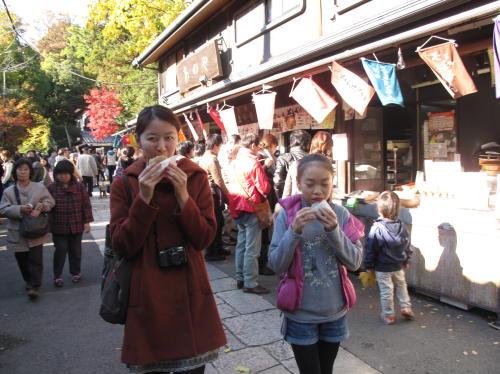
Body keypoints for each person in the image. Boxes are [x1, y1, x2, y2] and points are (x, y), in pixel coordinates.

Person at [109, 105, 226, 373]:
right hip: (146, 292)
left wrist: (183, 195)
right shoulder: (125, 183)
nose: (162, 147)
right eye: (152, 138)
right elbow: (122, 244)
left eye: (169, 137)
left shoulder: (194, 177)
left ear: (178, 137)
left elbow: (204, 238)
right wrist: (144, 196)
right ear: (138, 140)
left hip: (189, 289)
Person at [268, 153, 363, 374]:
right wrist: (294, 231)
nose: (318, 191)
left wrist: (334, 230)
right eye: (310, 184)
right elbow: (276, 264)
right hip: (300, 314)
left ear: (332, 183)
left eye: (325, 184)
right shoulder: (287, 215)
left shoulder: (341, 215)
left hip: (334, 312)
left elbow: (355, 262)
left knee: (326, 370)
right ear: (299, 183)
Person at [0, 159, 55, 300]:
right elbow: (3, 209)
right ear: (15, 171)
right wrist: (19, 209)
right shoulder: (8, 191)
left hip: (36, 229)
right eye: (19, 169)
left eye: (25, 169)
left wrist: (42, 206)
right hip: (17, 231)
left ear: (30, 171)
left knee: (36, 259)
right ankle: (28, 281)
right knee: (22, 260)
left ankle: (35, 285)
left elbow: (50, 202)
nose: (22, 172)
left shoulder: (39, 187)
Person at [227, 133, 271, 294]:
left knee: (241, 244)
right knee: (252, 248)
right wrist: (266, 166)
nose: (260, 149)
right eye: (259, 145)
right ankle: (250, 282)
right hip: (251, 206)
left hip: (237, 205)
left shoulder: (235, 160)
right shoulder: (253, 162)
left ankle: (240, 278)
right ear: (253, 145)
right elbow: (264, 188)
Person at [364, 190, 415, 325]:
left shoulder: (377, 228)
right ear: (398, 209)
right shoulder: (402, 226)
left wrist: (368, 266)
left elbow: (371, 249)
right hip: (398, 265)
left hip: (382, 267)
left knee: (387, 291)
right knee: (401, 286)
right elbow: (407, 245)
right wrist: (406, 260)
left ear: (379, 209)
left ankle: (389, 315)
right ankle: (406, 307)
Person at [48, 160, 93, 287]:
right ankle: (57, 275)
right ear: (56, 174)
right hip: (58, 225)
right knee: (60, 250)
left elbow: (86, 205)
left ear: (71, 174)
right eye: (60, 174)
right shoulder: (51, 188)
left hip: (76, 224)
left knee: (76, 250)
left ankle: (76, 272)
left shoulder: (79, 187)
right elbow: (47, 207)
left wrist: (87, 222)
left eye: (66, 173)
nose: (63, 176)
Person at [199, 134, 230, 262]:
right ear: (216, 145)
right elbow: (218, 180)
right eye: (220, 146)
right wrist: (228, 195)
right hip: (213, 194)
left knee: (217, 221)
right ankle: (213, 252)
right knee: (216, 222)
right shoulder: (212, 159)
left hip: (206, 193)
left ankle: (218, 247)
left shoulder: (203, 158)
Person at [283, 131, 334, 198]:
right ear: (329, 148)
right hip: (322, 206)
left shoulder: (296, 164)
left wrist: (285, 206)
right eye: (310, 184)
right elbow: (329, 195)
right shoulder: (328, 167)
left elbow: (286, 193)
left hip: (297, 205)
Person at [258, 133, 279, 276]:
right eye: (275, 147)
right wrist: (266, 166)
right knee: (263, 230)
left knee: (264, 231)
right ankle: (262, 264)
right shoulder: (262, 157)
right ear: (271, 145)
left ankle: (263, 262)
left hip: (264, 197)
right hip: (263, 198)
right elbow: (260, 178)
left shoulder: (261, 155)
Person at [273, 130, 311, 199]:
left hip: (290, 200)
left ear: (291, 142)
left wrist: (280, 200)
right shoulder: (313, 159)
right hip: (309, 199)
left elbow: (278, 182)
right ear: (307, 143)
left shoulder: (283, 158)